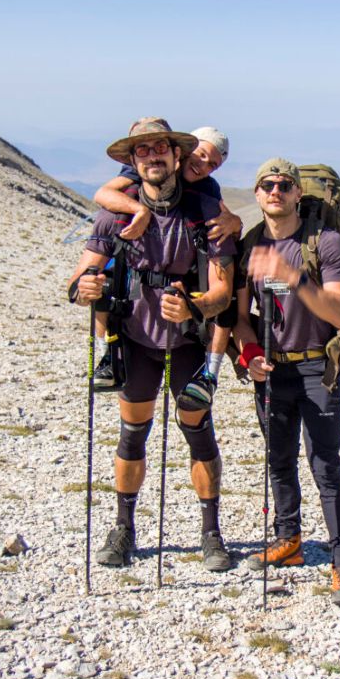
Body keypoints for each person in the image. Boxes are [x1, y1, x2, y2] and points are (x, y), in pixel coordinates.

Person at [70, 117, 237, 572]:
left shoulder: (205, 210)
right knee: (133, 435)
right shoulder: (115, 213)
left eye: (160, 147)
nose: (152, 156)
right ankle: (123, 528)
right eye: (141, 151)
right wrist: (85, 286)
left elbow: (223, 290)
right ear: (132, 161)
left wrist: (195, 309)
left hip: (185, 342)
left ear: (177, 155)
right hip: (135, 340)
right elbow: (80, 275)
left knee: (198, 434)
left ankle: (211, 534)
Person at [234, 158, 340, 609]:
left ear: (296, 193)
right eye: (266, 184)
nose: (275, 191)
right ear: (256, 192)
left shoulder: (324, 243)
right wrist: (249, 355)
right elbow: (240, 320)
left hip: (315, 367)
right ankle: (289, 540)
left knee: (325, 466)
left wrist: (293, 278)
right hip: (272, 369)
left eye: (284, 185)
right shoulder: (249, 245)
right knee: (278, 459)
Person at [90, 127, 241, 412]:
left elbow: (227, 220)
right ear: (184, 152)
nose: (204, 166)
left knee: (231, 291)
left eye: (213, 165)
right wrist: (140, 211)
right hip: (134, 274)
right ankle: (107, 355)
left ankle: (210, 374)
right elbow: (103, 193)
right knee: (105, 283)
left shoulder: (207, 190)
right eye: (202, 155)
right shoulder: (141, 172)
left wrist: (236, 224)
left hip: (184, 299)